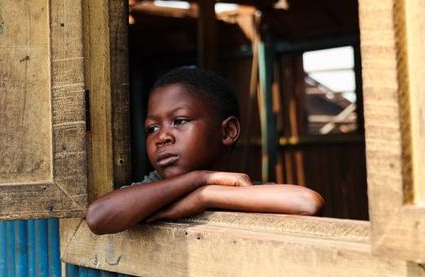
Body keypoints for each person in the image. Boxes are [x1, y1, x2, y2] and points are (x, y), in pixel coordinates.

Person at [86, 67, 324, 235]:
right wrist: (199, 178)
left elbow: (307, 202)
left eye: (179, 121)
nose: (162, 137)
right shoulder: (150, 192)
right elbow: (98, 217)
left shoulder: (244, 190)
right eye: (152, 128)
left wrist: (205, 195)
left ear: (228, 131)